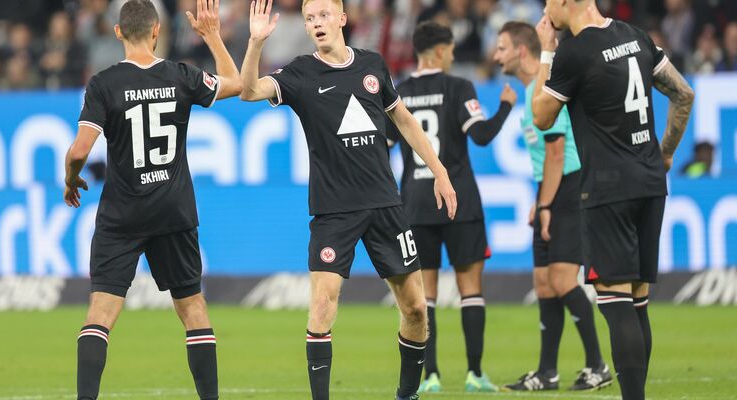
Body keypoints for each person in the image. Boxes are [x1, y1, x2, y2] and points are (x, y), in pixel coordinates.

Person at [239, 1, 458, 399]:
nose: (316, 23)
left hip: (384, 205)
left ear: (342, 19)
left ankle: (407, 394)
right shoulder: (301, 73)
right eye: (309, 18)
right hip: (333, 210)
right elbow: (250, 90)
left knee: (415, 309)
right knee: (322, 306)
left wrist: (440, 172)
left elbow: (404, 120)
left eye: (323, 15)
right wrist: (255, 44)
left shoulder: (372, 65)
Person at [63, 0, 242, 399]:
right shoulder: (180, 76)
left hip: (122, 214)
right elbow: (236, 84)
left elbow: (78, 152)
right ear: (158, 31)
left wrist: (71, 179)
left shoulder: (104, 83)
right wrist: (212, 35)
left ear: (118, 32)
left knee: (101, 313)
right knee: (193, 308)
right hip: (173, 210)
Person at [531, 1, 694, 399]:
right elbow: (684, 94)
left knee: (615, 301)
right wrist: (666, 152)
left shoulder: (574, 51)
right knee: (637, 301)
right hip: (650, 183)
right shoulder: (636, 37)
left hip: (607, 189)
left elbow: (541, 116)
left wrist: (546, 51)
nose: (546, 7)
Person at [387, 21, 516, 394]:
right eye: (452, 50)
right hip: (459, 202)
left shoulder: (401, 92)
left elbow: (387, 145)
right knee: (470, 289)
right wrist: (505, 107)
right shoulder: (459, 87)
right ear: (442, 51)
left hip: (416, 204)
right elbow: (481, 135)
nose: (454, 56)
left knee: (423, 296)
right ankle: (475, 373)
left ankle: (430, 376)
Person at [493, 20, 611, 392]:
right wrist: (539, 200)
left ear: (522, 50)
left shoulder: (546, 89)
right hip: (550, 190)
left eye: (501, 48)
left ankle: (598, 365)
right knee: (544, 284)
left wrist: (545, 204)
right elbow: (546, 157)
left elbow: (559, 153)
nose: (496, 56)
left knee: (561, 279)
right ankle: (547, 372)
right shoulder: (532, 92)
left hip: (568, 187)